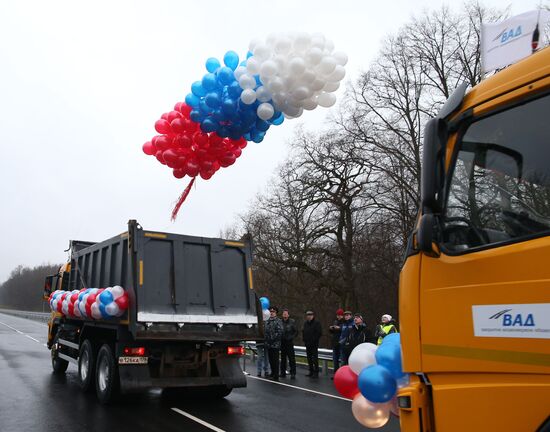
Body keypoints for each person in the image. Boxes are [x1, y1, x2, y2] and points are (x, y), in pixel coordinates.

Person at [264, 306, 283, 381]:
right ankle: (272, 372)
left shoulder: (278, 321)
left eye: (273, 312)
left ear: (276, 313)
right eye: (270, 311)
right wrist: (266, 340)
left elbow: (280, 332)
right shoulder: (267, 321)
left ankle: (276, 374)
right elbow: (265, 331)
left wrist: (272, 339)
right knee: (271, 360)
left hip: (275, 344)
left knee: (275, 360)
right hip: (268, 343)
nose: (271, 313)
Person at [302, 310, 322, 378]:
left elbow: (319, 333)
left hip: (314, 344)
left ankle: (316, 372)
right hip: (307, 344)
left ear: (313, 316)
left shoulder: (317, 323)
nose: (309, 317)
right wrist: (304, 340)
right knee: (309, 358)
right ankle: (311, 371)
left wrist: (313, 340)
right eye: (308, 315)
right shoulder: (305, 323)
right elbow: (303, 332)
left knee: (315, 359)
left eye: (310, 315)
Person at [280, 308, 298, 379]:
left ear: (288, 315)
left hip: (289, 342)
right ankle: (282, 372)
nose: (284, 315)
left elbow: (296, 332)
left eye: (286, 313)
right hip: (282, 342)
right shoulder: (280, 322)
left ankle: (293, 373)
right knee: (283, 359)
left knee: (291, 359)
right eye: (283, 313)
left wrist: (291, 337)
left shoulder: (292, 322)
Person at [329, 308, 345, 376]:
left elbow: (344, 330)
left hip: (341, 343)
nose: (339, 316)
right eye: (338, 315)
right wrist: (331, 328)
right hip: (335, 342)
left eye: (340, 315)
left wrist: (339, 328)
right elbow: (332, 332)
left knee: (342, 360)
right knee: (335, 360)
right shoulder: (335, 321)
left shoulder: (344, 322)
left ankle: (341, 374)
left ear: (342, 315)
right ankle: (336, 373)